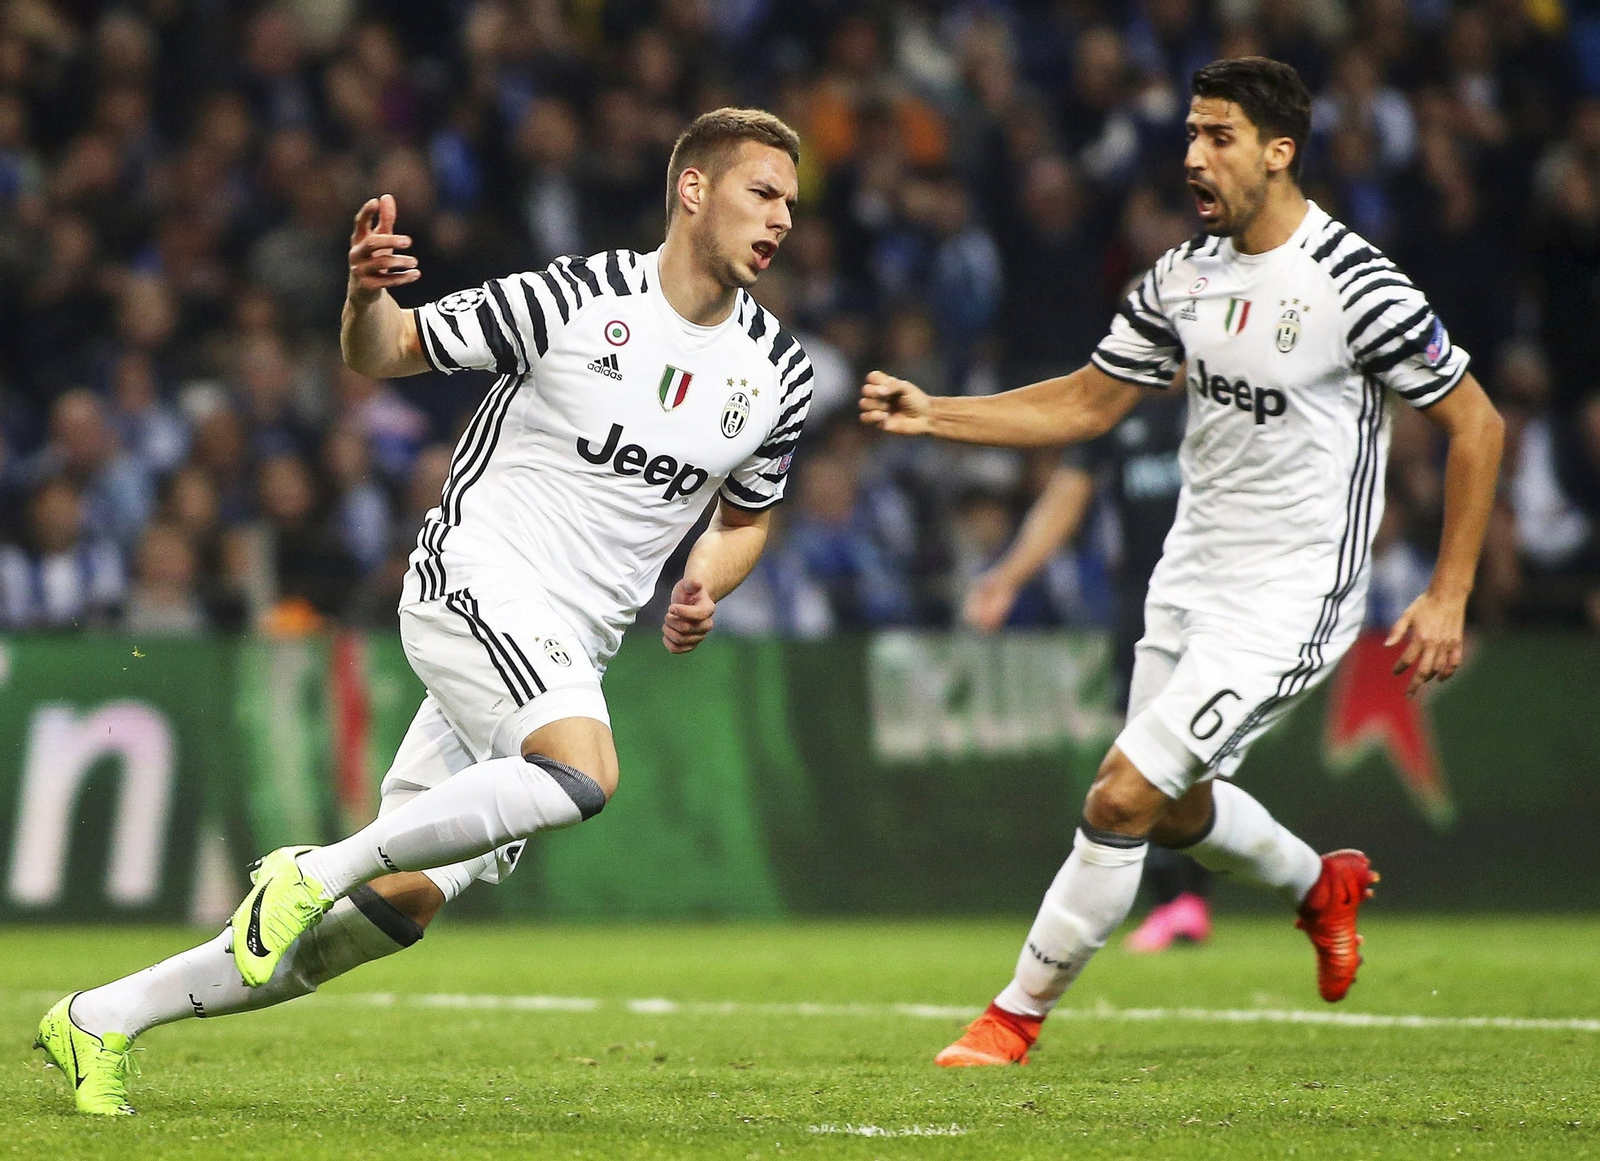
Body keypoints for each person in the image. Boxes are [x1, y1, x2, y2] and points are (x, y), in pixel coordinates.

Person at [37, 108, 813, 1115]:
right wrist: (365, 297)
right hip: (476, 576)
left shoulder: (778, 371)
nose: (782, 217)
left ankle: (100, 1017)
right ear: (694, 191)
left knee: (388, 912)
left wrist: (708, 575)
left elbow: (746, 515)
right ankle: (311, 869)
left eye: (791, 202)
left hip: (563, 650)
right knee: (583, 772)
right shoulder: (572, 299)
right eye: (763, 192)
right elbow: (387, 350)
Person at [859, 58, 1504, 1067]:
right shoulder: (1180, 278)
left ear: (1278, 152)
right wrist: (934, 412)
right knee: (1172, 812)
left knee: (1120, 795)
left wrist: (1448, 592)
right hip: (1189, 575)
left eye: (1219, 137)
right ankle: (1318, 885)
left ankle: (1011, 1017)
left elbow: (1478, 425)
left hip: (1293, 596)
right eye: (1192, 135)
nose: (1194, 156)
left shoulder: (1356, 285)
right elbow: (1086, 402)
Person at [964, 392, 1216, 952]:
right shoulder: (1117, 409)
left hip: (1221, 595)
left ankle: (1198, 897)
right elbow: (1066, 498)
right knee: (1145, 750)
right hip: (1144, 605)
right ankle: (1173, 901)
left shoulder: (1227, 395)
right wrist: (1007, 577)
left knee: (1203, 748)